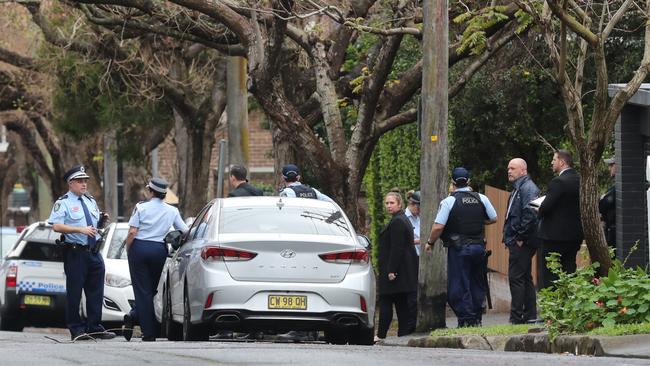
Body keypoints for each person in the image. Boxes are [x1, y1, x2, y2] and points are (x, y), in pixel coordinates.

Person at [48, 165, 116, 341]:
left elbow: (92, 227)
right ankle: (76, 329)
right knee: (75, 292)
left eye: (85, 180)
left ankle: (94, 327)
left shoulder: (90, 200)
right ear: (71, 183)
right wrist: (80, 229)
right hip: (75, 253)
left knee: (96, 292)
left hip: (93, 252)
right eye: (79, 181)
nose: (84, 184)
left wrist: (101, 222)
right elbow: (56, 226)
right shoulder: (63, 203)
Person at [425, 167, 497, 327]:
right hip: (479, 248)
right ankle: (477, 318)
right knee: (476, 282)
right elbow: (493, 218)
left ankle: (466, 319)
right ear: (469, 181)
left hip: (459, 249)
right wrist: (479, 221)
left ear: (452, 182)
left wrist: (430, 242)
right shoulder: (481, 198)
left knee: (459, 283)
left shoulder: (449, 201)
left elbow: (438, 227)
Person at [123, 178, 189, 342]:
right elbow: (185, 230)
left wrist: (128, 248)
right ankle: (133, 316)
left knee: (142, 291)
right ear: (164, 194)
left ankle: (149, 332)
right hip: (158, 250)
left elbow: (132, 232)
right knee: (150, 290)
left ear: (150, 192)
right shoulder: (172, 211)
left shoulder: (141, 207)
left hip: (139, 248)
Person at [375, 191, 418, 342]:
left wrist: (391, 269)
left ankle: (380, 335)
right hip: (402, 272)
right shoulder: (400, 219)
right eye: (386, 203)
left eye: (392, 203)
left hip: (394, 271)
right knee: (401, 304)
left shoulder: (398, 221)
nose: (388, 206)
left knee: (387, 301)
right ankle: (403, 335)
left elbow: (397, 247)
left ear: (400, 204)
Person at [537, 150, 583, 289]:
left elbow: (545, 207)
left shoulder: (558, 182)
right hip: (574, 235)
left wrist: (538, 209)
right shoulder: (580, 179)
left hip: (554, 237)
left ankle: (553, 305)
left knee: (550, 274)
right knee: (569, 270)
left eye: (554, 159)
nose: (552, 162)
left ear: (562, 162)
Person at [503, 158, 540, 324]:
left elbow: (531, 214)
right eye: (508, 168)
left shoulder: (527, 188)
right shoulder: (519, 188)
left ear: (523, 171)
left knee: (516, 278)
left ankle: (516, 317)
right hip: (518, 240)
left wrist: (519, 237)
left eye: (513, 168)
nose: (509, 171)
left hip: (522, 241)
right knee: (524, 277)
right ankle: (530, 314)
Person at [404, 190, 421, 333]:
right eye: (419, 207)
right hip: (410, 259)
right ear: (412, 204)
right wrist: (420, 240)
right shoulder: (404, 218)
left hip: (423, 258)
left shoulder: (421, 217)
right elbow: (403, 241)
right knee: (411, 293)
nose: (420, 210)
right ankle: (409, 325)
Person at [598, 156, 616, 250]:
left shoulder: (616, 188)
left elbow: (602, 205)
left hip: (614, 231)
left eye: (611, 165)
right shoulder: (614, 187)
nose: (609, 168)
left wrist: (603, 198)